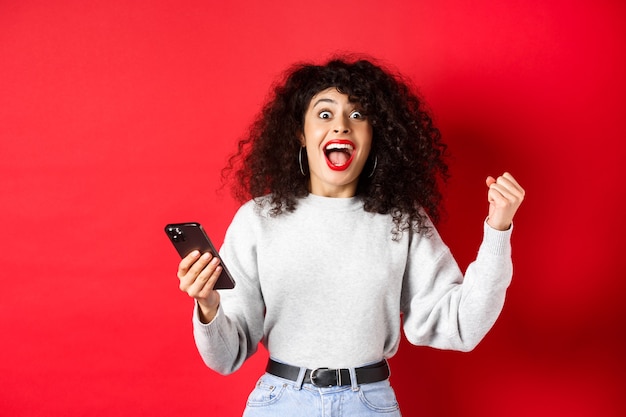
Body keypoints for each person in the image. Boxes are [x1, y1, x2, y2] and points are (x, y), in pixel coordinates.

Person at [176, 56, 525, 416]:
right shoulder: (257, 220)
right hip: (280, 404)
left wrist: (497, 230)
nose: (341, 126)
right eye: (325, 114)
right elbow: (225, 357)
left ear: (374, 134)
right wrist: (208, 306)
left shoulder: (401, 220)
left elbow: (461, 325)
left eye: (357, 115)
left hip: (369, 405)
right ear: (301, 131)